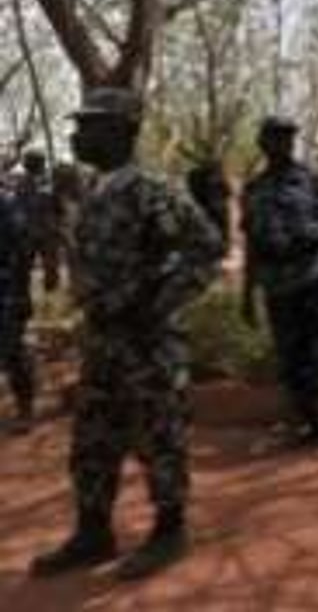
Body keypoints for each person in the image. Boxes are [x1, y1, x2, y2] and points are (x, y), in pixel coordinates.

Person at [30, 87, 224, 580]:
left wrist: (160, 302)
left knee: (160, 434)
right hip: (103, 340)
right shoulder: (94, 191)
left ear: (122, 132)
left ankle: (169, 531)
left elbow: (206, 246)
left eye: (88, 126)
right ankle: (93, 532)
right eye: (78, 125)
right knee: (93, 438)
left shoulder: (152, 189)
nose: (76, 134)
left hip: (149, 342)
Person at [240, 116, 318, 451]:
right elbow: (251, 244)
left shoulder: (314, 182)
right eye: (273, 138)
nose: (281, 144)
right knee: (291, 357)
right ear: (261, 143)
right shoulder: (253, 189)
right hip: (277, 284)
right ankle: (309, 424)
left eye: (286, 138)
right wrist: (246, 294)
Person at [0, 184, 34, 433]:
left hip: (6, 290)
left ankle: (25, 410)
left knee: (12, 349)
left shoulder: (6, 206)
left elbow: (23, 251)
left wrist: (20, 294)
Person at [13, 148, 64, 293]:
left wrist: (57, 222)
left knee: (51, 267)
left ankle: (50, 296)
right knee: (24, 267)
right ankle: (22, 298)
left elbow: (57, 205)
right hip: (29, 231)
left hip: (47, 231)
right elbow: (18, 206)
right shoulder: (21, 183)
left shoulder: (49, 182)